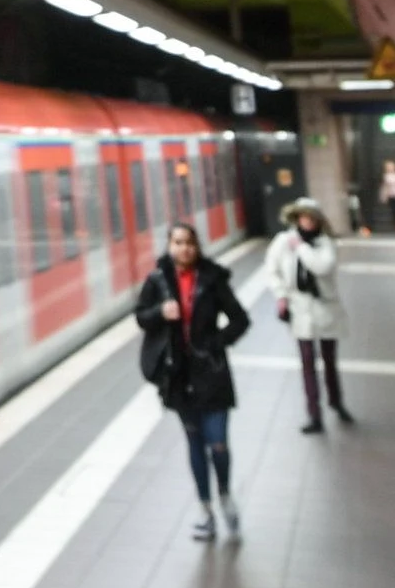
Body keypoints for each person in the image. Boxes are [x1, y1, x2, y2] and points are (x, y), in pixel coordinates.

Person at [136, 222, 252, 541]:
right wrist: (161, 312)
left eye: (189, 242)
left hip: (211, 373)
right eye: (177, 242)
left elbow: (241, 319)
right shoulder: (158, 281)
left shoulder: (213, 279)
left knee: (218, 443)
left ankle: (225, 495)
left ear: (197, 246)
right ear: (169, 245)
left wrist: (216, 342)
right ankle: (205, 510)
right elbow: (141, 317)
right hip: (179, 378)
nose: (184, 248)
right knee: (195, 444)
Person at [265, 199, 352, 433]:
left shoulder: (325, 243)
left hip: (325, 308)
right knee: (307, 363)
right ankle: (314, 414)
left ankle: (336, 402)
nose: (308, 221)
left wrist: (301, 247)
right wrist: (281, 295)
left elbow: (321, 267)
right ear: (297, 218)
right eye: (304, 217)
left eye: (313, 218)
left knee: (330, 361)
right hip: (299, 309)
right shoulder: (283, 242)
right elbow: (272, 269)